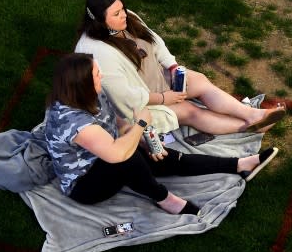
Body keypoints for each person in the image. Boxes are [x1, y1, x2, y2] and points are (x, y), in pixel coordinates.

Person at [44, 53, 279, 214]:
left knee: (164, 155)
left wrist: (146, 141)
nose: (102, 76)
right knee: (128, 159)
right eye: (97, 74)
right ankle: (165, 199)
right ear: (82, 84)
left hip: (109, 153)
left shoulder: (93, 94)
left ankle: (238, 165)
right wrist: (141, 124)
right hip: (85, 183)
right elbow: (115, 154)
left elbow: (116, 123)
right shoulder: (73, 122)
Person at [74, 0, 286, 135]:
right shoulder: (97, 52)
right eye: (117, 13)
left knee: (200, 80)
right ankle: (245, 127)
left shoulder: (127, 19)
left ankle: (253, 115)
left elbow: (154, 42)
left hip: (154, 81)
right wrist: (164, 98)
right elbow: (124, 98)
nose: (124, 16)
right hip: (134, 106)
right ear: (100, 21)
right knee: (190, 112)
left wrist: (172, 67)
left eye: (123, 8)